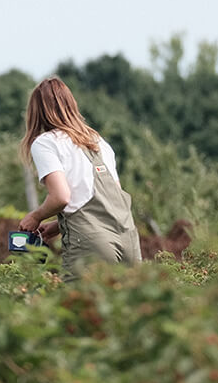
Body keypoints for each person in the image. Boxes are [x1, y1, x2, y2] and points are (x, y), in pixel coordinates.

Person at [17, 77, 142, 280]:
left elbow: (61, 197)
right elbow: (109, 199)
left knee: (76, 309)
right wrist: (56, 226)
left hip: (91, 244)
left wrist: (35, 217)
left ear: (36, 113)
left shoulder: (46, 143)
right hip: (128, 241)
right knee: (126, 310)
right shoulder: (98, 142)